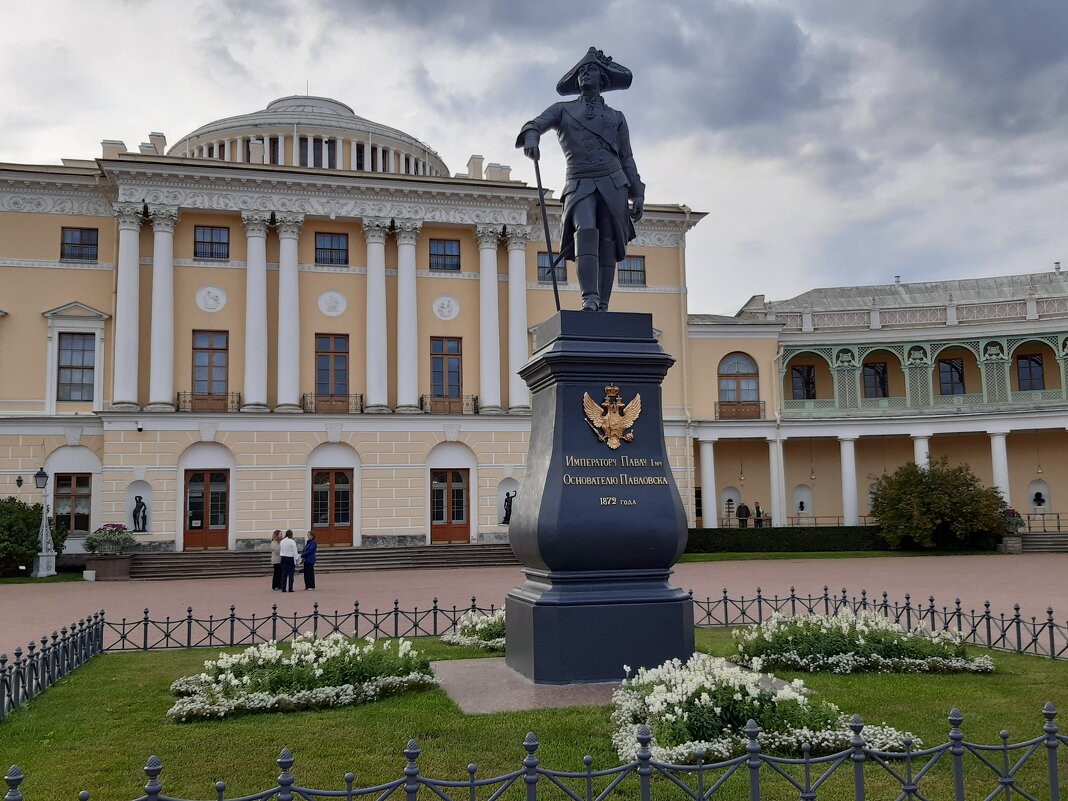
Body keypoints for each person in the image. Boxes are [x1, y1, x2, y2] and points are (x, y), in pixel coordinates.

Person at [517, 47, 645, 312]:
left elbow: (627, 157)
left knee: (608, 242)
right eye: (582, 71)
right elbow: (535, 124)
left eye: (591, 70)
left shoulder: (617, 118)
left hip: (614, 181)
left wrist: (639, 192)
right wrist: (531, 136)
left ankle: (603, 305)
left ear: (603, 79)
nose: (585, 74)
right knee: (585, 230)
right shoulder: (563, 110)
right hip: (579, 181)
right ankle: (589, 297)